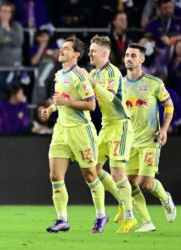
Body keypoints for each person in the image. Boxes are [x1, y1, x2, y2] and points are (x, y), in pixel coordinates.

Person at [41, 37, 108, 234]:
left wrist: (65, 102)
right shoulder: (58, 74)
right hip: (62, 130)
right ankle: (62, 220)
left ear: (76, 54)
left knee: (90, 175)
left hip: (81, 131)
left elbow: (91, 105)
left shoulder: (80, 76)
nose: (61, 51)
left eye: (66, 49)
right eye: (61, 48)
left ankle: (101, 215)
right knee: (55, 175)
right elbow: (61, 100)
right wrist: (51, 109)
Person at [77, 35, 136, 233]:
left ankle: (130, 217)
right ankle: (122, 201)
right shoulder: (94, 72)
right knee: (94, 168)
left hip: (120, 125)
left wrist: (92, 83)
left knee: (118, 172)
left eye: (93, 51)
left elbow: (110, 98)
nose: (90, 54)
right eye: (90, 51)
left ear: (104, 53)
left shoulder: (112, 72)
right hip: (106, 126)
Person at [124, 43, 176, 232]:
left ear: (142, 59)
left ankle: (165, 198)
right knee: (130, 183)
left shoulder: (154, 82)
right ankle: (147, 222)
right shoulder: (120, 84)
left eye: (133, 56)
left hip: (149, 140)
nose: (129, 58)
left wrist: (164, 129)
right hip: (129, 142)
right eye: (127, 55)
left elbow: (169, 106)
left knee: (145, 183)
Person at [0, 2, 24, 102]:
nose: (6, 14)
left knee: (14, 95)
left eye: (8, 12)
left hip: (13, 67)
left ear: (11, 14)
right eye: (3, 11)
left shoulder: (17, 26)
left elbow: (18, 43)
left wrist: (9, 30)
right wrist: (2, 29)